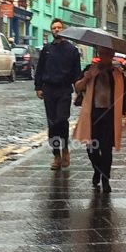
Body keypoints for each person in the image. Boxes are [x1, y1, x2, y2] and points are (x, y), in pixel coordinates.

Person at [74, 44, 125, 192]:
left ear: (112, 54)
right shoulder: (90, 69)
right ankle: (97, 170)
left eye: (108, 53)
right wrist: (86, 78)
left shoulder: (117, 73)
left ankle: (105, 179)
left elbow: (125, 94)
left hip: (109, 116)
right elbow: (78, 87)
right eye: (102, 53)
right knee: (91, 149)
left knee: (106, 149)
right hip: (92, 115)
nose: (105, 56)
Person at [34, 19, 82, 170]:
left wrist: (79, 91)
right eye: (54, 28)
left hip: (64, 90)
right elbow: (40, 70)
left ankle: (65, 148)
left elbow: (76, 73)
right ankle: (56, 156)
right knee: (52, 123)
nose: (56, 30)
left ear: (64, 30)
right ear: (51, 30)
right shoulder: (47, 49)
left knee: (62, 120)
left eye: (59, 27)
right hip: (49, 90)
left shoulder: (72, 50)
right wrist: (38, 87)